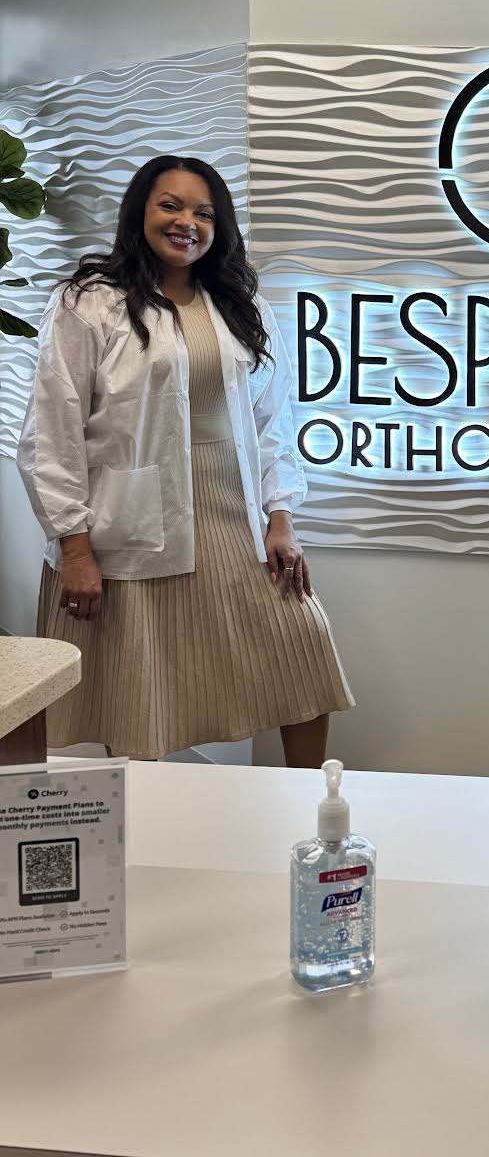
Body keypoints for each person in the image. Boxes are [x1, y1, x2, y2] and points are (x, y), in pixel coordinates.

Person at [18, 155, 354, 766]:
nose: (186, 223)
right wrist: (73, 547)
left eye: (203, 212)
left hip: (235, 517)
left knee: (300, 658)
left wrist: (281, 518)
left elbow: (272, 420)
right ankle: (151, 838)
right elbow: (51, 432)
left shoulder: (238, 305)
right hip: (133, 524)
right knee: (143, 694)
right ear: (140, 212)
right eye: (170, 205)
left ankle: (308, 808)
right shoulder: (88, 304)